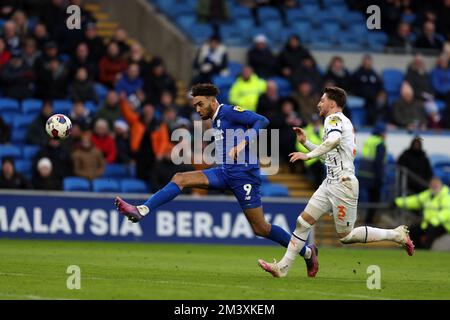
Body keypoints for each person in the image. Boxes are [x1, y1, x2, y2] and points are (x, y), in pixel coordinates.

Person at [115, 83, 317, 276]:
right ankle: (142, 210)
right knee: (180, 178)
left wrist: (243, 143)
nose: (197, 109)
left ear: (213, 101)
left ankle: (307, 252)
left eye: (200, 104)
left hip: (244, 175)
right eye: (194, 105)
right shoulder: (215, 120)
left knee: (260, 228)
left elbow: (262, 120)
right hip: (224, 172)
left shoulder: (228, 111)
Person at [258, 87, 414, 278]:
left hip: (343, 184)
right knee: (302, 222)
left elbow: (333, 141)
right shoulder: (341, 122)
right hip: (330, 182)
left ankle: (396, 235)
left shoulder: (334, 120)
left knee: (346, 237)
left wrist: (307, 155)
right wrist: (306, 143)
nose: (318, 103)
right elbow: (329, 157)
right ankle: (282, 268)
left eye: (322, 100)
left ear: (332, 103)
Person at [394, 177, 450, 249]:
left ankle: (426, 250)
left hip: (444, 225)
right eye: (432, 185)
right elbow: (414, 200)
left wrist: (434, 221)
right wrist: (397, 202)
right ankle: (415, 249)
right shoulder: (428, 194)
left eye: (436, 185)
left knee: (430, 231)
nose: (434, 186)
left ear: (441, 185)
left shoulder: (446, 195)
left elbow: (447, 211)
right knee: (413, 230)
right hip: (427, 223)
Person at [357, 122, 387, 224]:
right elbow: (378, 163)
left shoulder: (368, 140)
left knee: (367, 199)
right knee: (374, 200)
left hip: (363, 174)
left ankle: (363, 219)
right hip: (373, 176)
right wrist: (380, 178)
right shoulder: (379, 143)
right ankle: (369, 222)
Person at [295, 114, 325, 188]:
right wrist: (312, 151)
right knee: (317, 174)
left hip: (324, 158)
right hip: (311, 159)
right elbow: (299, 146)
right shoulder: (305, 131)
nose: (316, 124)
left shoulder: (325, 129)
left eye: (317, 121)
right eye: (314, 122)